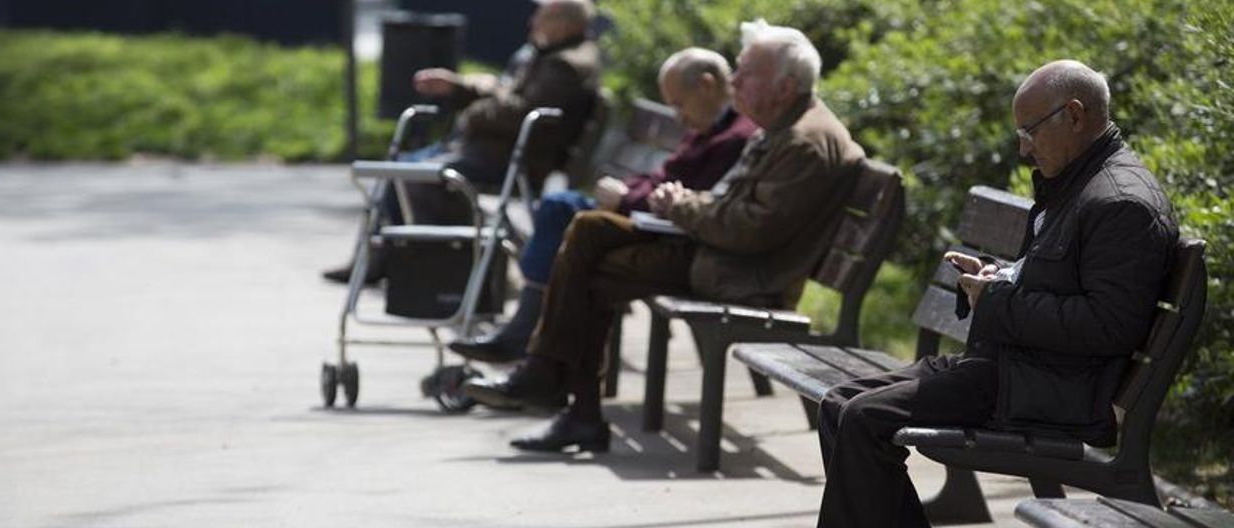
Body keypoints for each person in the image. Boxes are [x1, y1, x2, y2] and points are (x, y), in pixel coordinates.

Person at [812, 60, 1178, 528]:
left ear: (1073, 114)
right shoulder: (1077, 181)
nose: (1023, 147)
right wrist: (996, 275)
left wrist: (999, 299)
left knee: (864, 419)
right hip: (1010, 367)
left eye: (1030, 131)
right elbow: (1056, 281)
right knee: (839, 404)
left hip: (1045, 388)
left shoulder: (1120, 202)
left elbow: (1108, 325)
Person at [463, 20, 867, 451]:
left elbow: (749, 231)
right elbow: (736, 211)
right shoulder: (786, 124)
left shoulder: (804, 141)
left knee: (589, 240)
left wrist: (681, 204)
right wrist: (686, 202)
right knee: (589, 242)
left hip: (743, 273)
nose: (734, 82)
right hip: (723, 256)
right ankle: (561, 393)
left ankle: (555, 386)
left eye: (745, 73)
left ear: (784, 86)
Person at [447, 47, 759, 363]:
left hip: (665, 235)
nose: (678, 117)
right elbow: (661, 177)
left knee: (566, 217)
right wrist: (626, 192)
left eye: (679, 104)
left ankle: (531, 345)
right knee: (562, 212)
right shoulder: (709, 128)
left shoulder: (732, 137)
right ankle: (532, 345)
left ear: (706, 85)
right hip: (645, 218)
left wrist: (625, 197)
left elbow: (684, 197)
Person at [323, 0, 602, 284]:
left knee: (413, 176)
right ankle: (380, 259)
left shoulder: (565, 65)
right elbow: (507, 92)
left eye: (541, 17)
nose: (533, 22)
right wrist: (460, 87)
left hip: (509, 159)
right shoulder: (551, 55)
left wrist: (472, 112)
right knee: (398, 168)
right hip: (492, 149)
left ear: (565, 24)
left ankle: (438, 270)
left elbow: (521, 112)